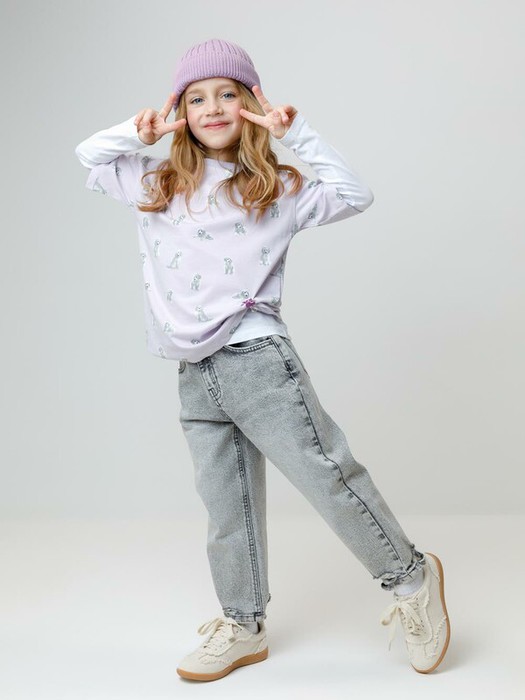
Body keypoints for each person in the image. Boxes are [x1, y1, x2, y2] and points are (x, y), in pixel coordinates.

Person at [75, 38, 450, 681]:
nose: (213, 108)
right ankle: (244, 625)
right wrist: (141, 131)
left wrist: (295, 134)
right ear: (180, 110)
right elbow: (89, 155)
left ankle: (411, 580)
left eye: (228, 94)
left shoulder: (278, 187)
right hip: (194, 370)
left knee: (327, 479)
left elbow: (355, 193)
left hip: (257, 360)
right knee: (227, 507)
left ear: (251, 104)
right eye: (196, 98)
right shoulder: (155, 181)